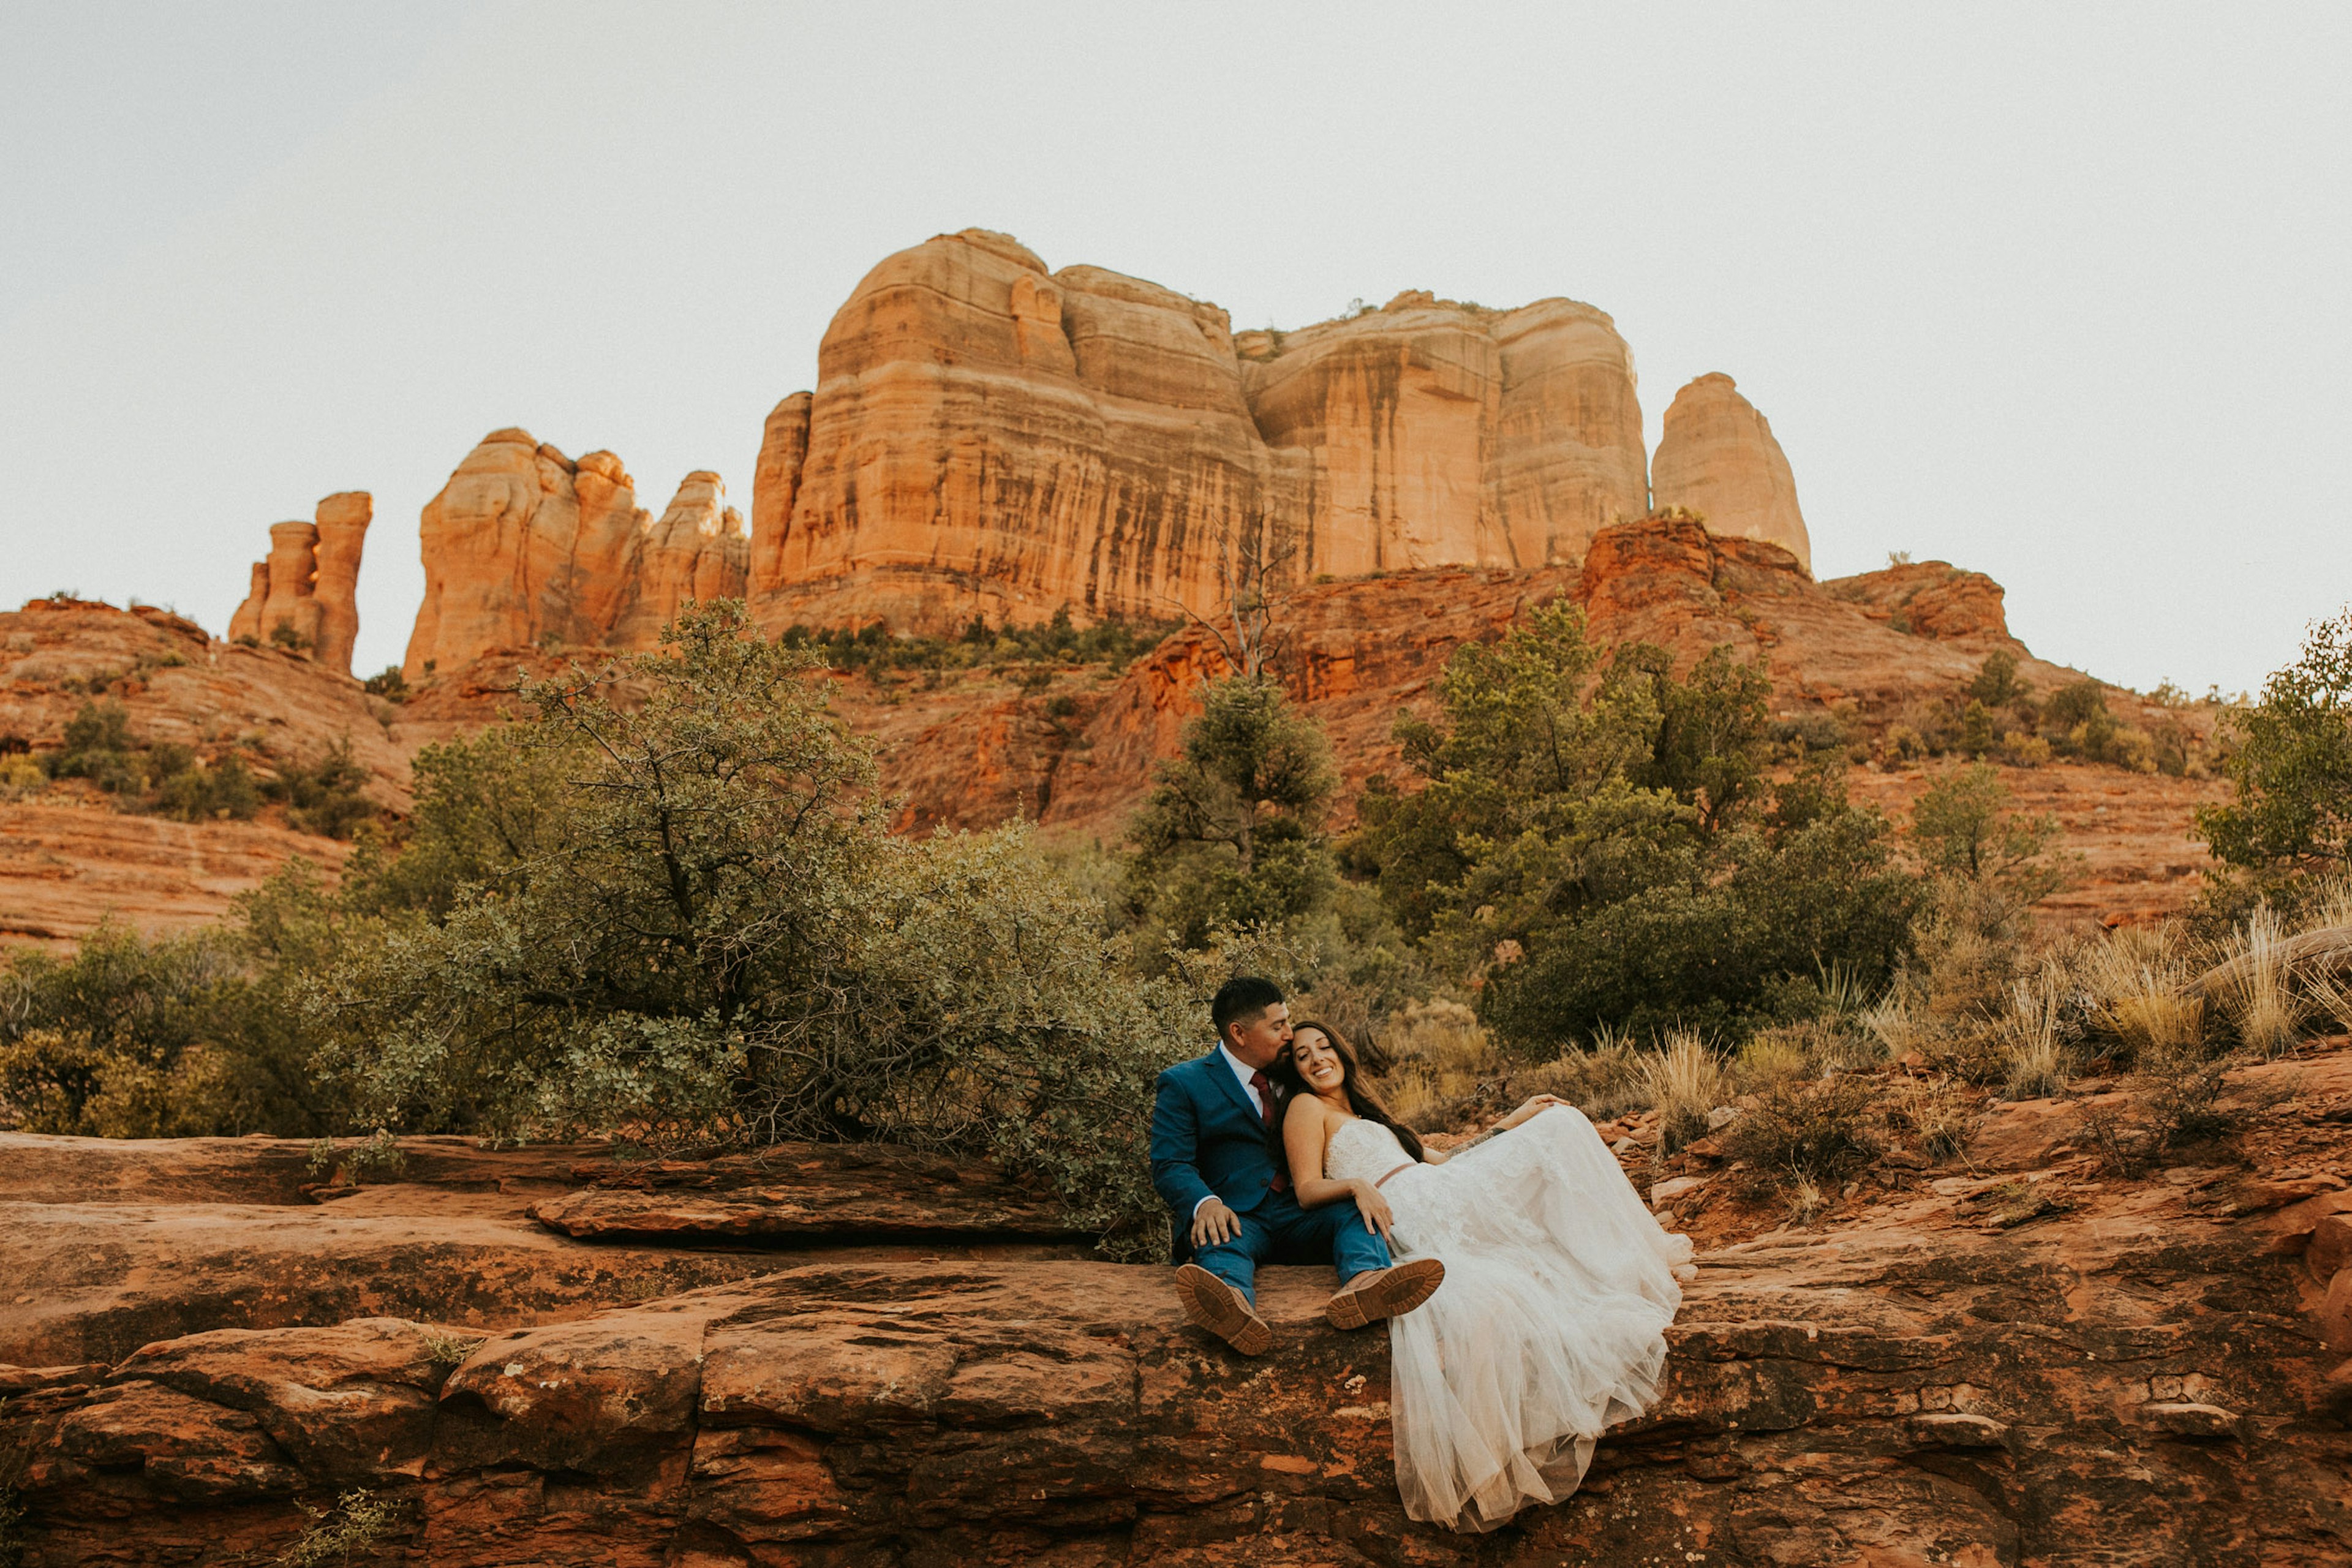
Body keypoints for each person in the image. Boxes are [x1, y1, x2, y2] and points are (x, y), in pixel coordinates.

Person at [1270, 1019, 1695, 1532]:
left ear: (1341, 1052)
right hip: (1410, 1208)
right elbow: (1306, 1189)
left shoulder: (1366, 1113)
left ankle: (1623, 1262)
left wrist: (1511, 1121)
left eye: (1324, 1047)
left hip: (1438, 1187)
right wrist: (1357, 1185)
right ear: (1295, 1071)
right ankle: (1621, 1264)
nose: (1317, 1059)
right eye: (1303, 1055)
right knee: (1557, 1140)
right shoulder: (1305, 1108)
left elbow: (1443, 1159)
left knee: (1559, 1124)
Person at [1150, 976, 1446, 1355]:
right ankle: (1231, 1305)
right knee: (1220, 1239)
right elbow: (1171, 1163)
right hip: (1237, 1214)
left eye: (1288, 1021)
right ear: (1239, 1033)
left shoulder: (1293, 1073)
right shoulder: (1185, 1082)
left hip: (1299, 1213)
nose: (1290, 1034)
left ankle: (1366, 1283)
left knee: (1353, 1211)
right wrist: (1204, 1203)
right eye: (1278, 1026)